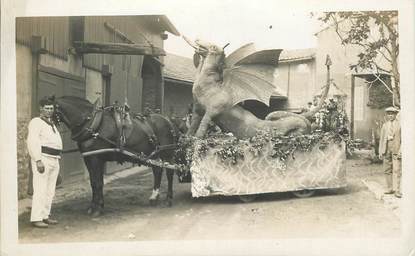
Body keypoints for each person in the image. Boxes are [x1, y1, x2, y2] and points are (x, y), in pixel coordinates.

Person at [27, 97, 63, 228]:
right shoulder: (36, 122)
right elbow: (33, 141)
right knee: (41, 189)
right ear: (41, 109)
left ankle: (45, 215)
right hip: (43, 158)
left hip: (54, 159)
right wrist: (37, 160)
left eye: (51, 108)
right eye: (47, 108)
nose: (49, 111)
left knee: (50, 190)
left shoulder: (51, 123)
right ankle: (36, 218)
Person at [378, 106, 401, 198]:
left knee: (397, 170)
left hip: (396, 149)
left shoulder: (400, 125)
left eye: (392, 114)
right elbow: (382, 139)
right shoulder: (385, 125)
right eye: (389, 114)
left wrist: (401, 150)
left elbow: (403, 139)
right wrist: (380, 151)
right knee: (387, 170)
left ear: (396, 114)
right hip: (386, 150)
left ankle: (397, 190)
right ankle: (390, 188)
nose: (390, 115)